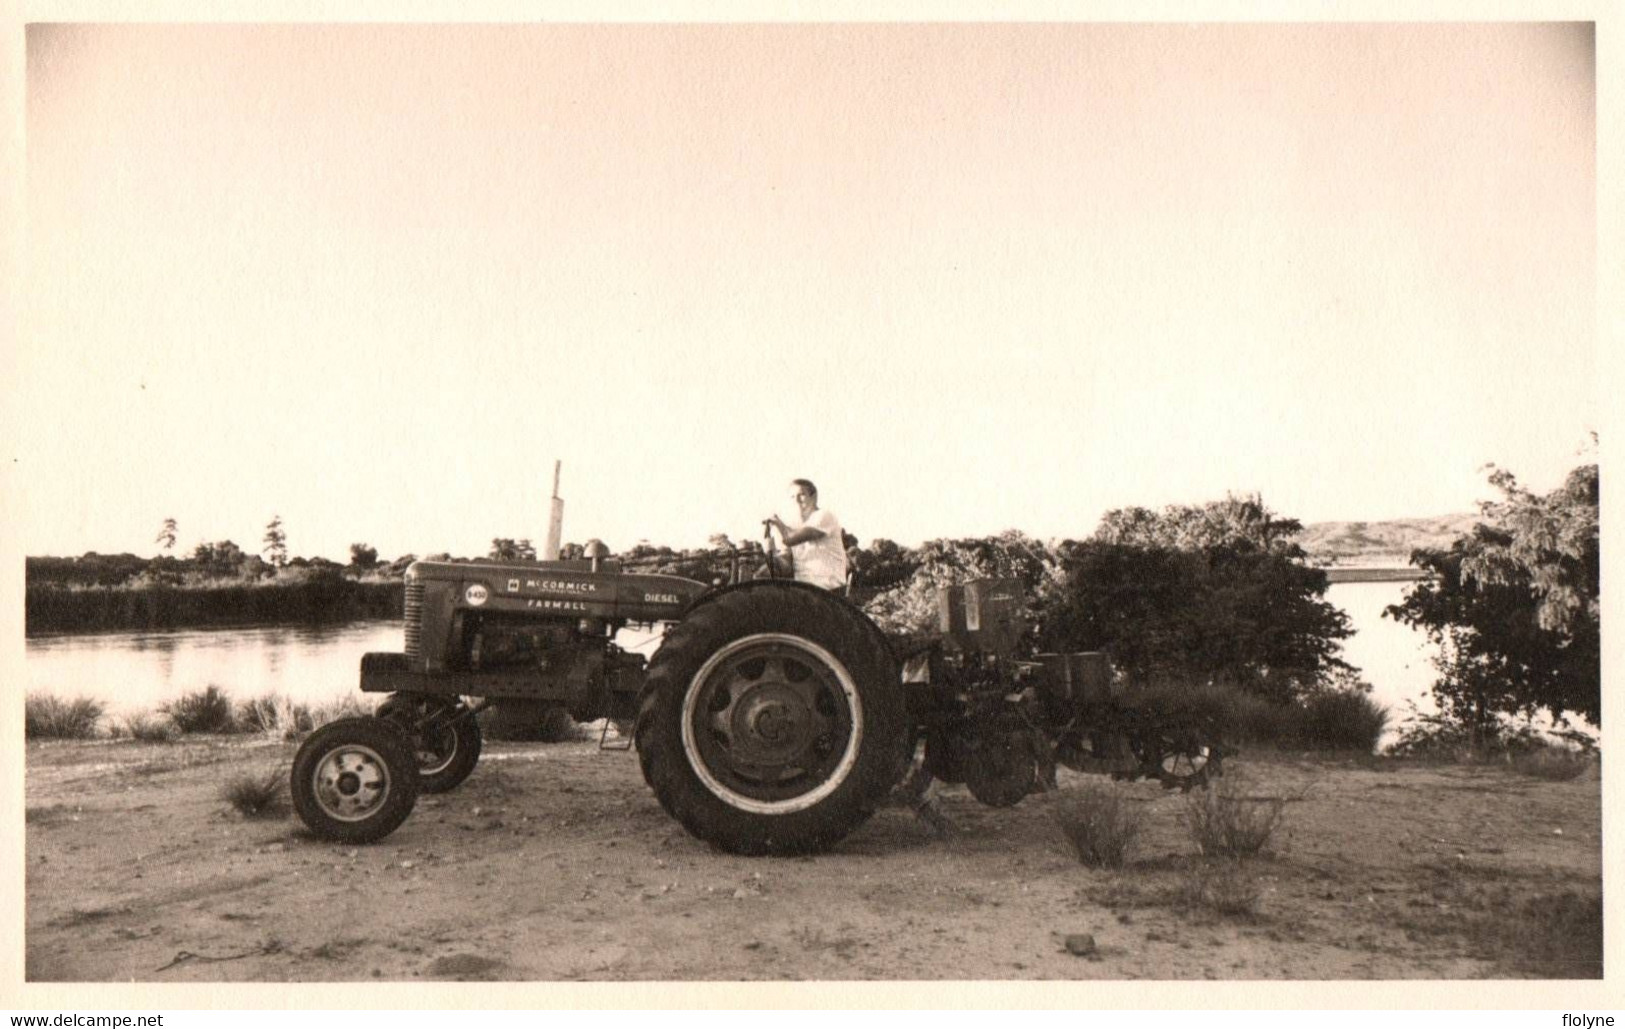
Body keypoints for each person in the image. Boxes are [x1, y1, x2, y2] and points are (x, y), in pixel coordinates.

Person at [765, 479, 848, 591]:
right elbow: (787, 564)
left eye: (802, 495)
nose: (797, 500)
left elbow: (790, 539)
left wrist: (778, 523)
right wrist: (769, 559)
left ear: (813, 497)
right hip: (805, 589)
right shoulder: (794, 527)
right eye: (792, 497)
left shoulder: (824, 516)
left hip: (828, 590)